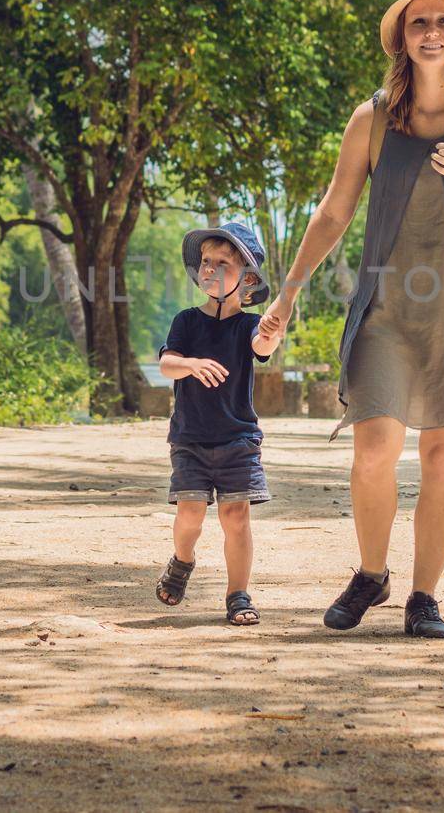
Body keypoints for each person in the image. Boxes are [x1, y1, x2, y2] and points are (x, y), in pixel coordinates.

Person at [261, 0, 444, 638]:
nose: (432, 32)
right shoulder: (374, 118)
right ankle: (371, 574)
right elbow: (333, 211)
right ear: (402, 38)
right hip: (388, 313)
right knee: (374, 448)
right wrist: (286, 295)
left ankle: (425, 596)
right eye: (419, 24)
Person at [153, 221, 284, 625]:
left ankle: (238, 595)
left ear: (247, 280)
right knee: (190, 512)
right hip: (190, 438)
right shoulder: (187, 322)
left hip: (237, 439)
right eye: (205, 262)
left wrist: (271, 332)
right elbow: (166, 364)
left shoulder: (249, 325)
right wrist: (190, 364)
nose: (209, 269)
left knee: (235, 517)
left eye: (221, 263)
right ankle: (182, 561)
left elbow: (262, 345)